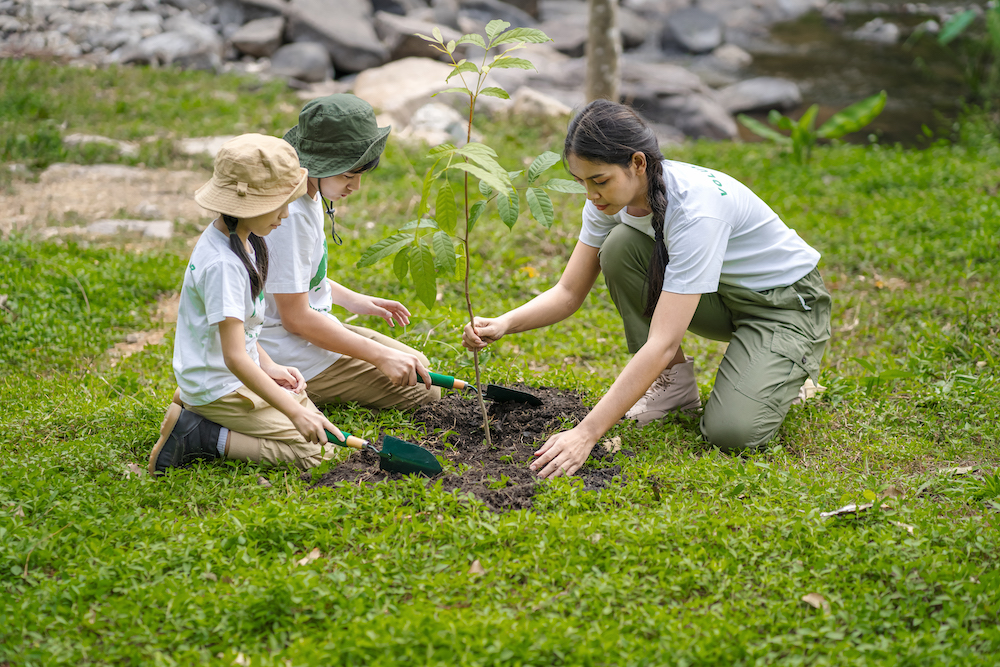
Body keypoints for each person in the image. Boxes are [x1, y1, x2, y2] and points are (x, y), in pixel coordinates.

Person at [463, 100, 831, 478]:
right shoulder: (609, 201)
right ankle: (673, 388)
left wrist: (585, 434)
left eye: (599, 180)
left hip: (783, 307)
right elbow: (569, 293)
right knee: (620, 247)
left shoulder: (694, 210)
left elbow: (662, 342)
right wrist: (504, 323)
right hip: (718, 296)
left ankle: (787, 374)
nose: (590, 195)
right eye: (582, 182)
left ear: (638, 163)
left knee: (731, 433)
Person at [149, 134, 347, 475]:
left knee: (319, 425)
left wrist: (269, 366)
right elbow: (234, 356)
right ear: (247, 206)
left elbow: (246, 335)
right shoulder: (224, 265)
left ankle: (199, 414)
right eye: (278, 205)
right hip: (220, 385)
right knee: (319, 454)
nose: (286, 214)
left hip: (229, 376)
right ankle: (202, 434)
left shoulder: (242, 239)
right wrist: (294, 412)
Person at [259, 94, 440, 410]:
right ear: (318, 165)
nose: (355, 187)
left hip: (304, 330)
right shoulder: (290, 216)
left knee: (417, 364)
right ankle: (274, 388)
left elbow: (298, 282)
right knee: (423, 391)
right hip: (282, 348)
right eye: (347, 175)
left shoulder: (309, 193)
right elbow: (295, 318)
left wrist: (358, 301)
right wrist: (379, 356)